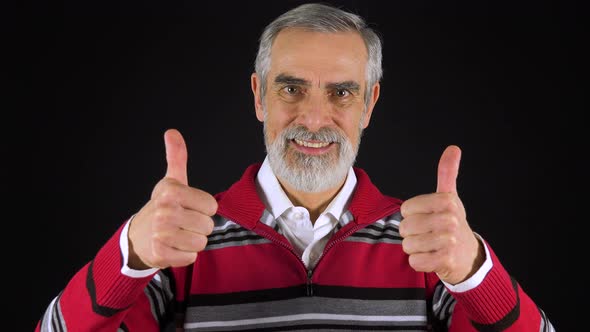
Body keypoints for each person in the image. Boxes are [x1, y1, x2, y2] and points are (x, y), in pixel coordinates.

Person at [36, 3, 555, 331]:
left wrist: (474, 273)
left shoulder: (431, 248)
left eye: (341, 92)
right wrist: (129, 253)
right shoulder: (177, 243)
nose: (313, 118)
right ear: (259, 95)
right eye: (291, 88)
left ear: (369, 104)